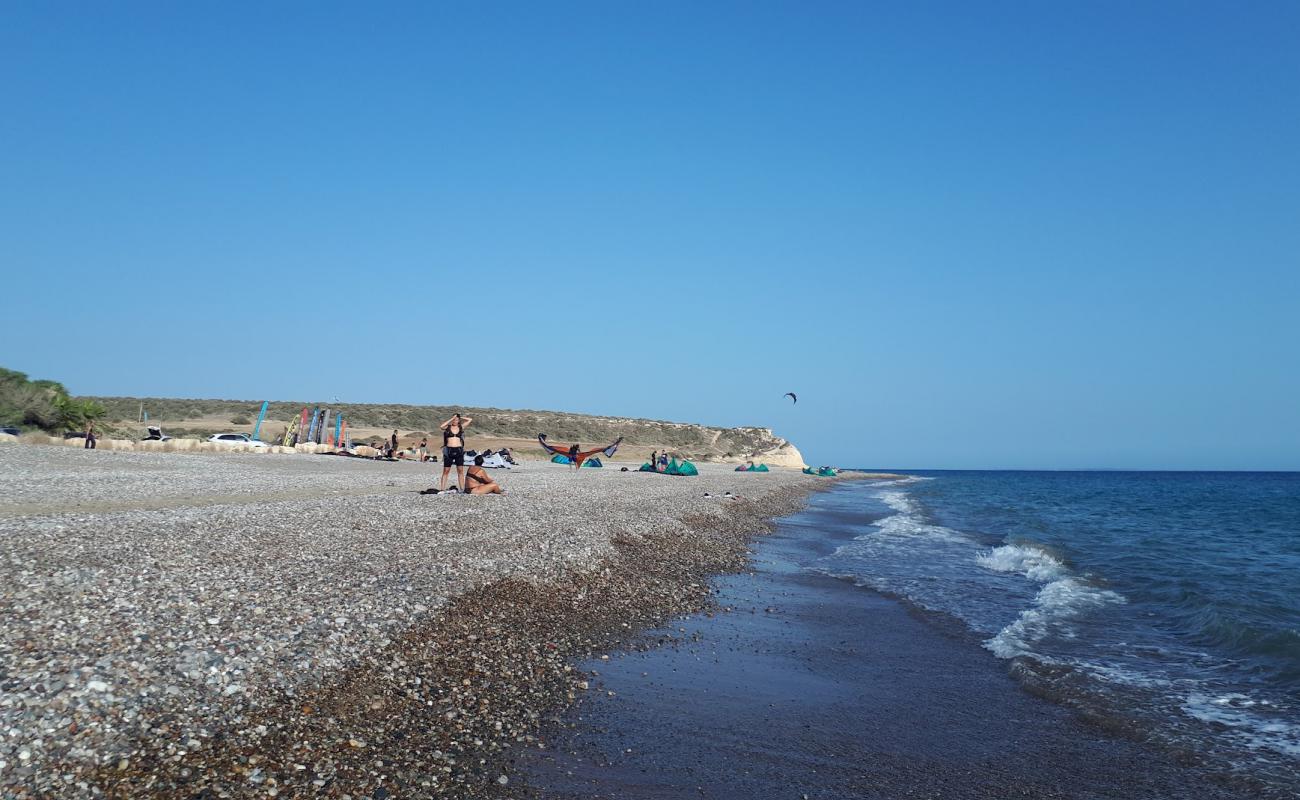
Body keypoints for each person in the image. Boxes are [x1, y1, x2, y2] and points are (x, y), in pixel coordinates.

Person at [439, 412, 473, 491]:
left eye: (456, 420)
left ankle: (462, 489)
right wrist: (452, 418)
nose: (455, 421)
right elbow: (441, 426)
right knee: (446, 471)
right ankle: (442, 489)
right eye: (454, 420)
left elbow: (470, 419)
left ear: (459, 420)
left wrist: (460, 417)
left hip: (458, 450)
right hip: (449, 451)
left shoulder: (461, 427)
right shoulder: (448, 427)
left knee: (460, 471)